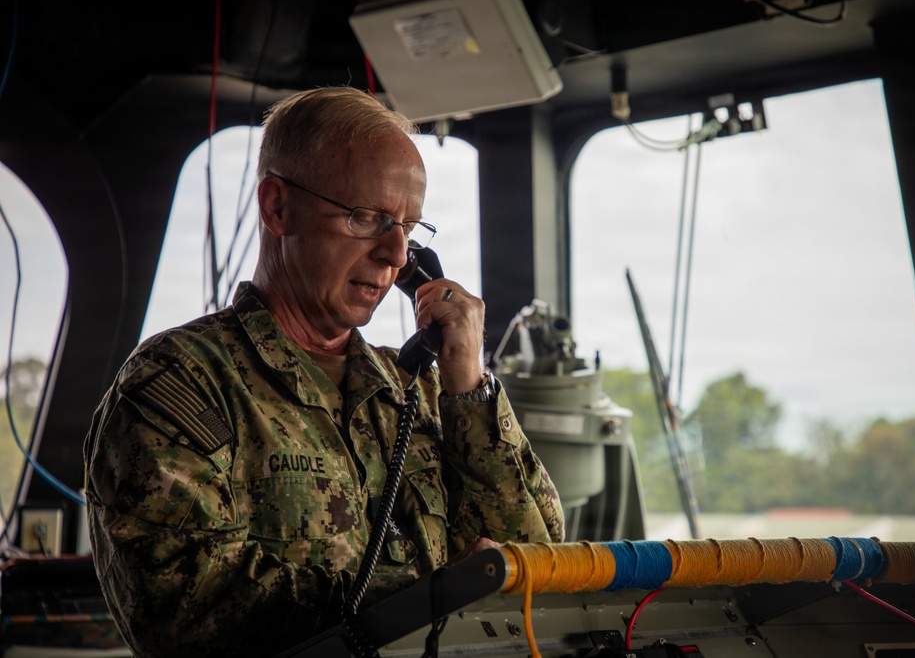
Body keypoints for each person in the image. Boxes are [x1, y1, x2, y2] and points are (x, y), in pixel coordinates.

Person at [83, 86, 565, 658]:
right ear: (277, 208)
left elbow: (537, 565)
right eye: (368, 218)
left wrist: (467, 384)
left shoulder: (421, 391)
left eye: (409, 228)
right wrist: (423, 600)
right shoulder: (181, 384)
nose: (394, 253)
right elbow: (182, 608)